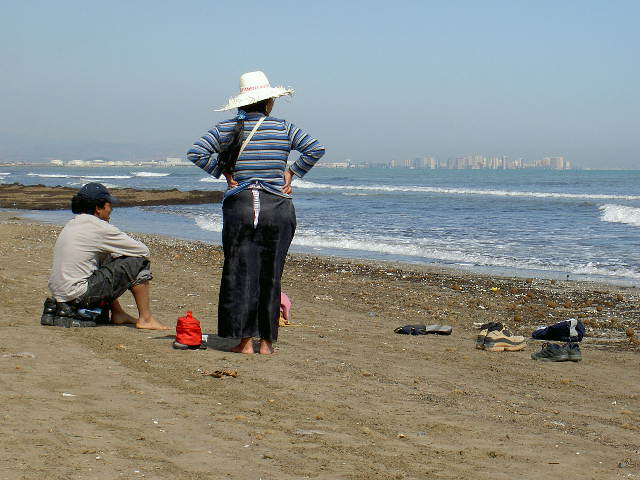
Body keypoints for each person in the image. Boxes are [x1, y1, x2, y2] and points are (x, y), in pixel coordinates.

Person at [187, 71, 325, 354]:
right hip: (277, 208)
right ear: (269, 102)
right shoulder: (284, 128)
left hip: (241, 206)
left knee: (239, 273)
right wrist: (292, 172)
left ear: (242, 102)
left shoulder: (226, 129)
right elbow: (315, 149)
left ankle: (244, 342)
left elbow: (197, 153)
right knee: (271, 274)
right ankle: (267, 343)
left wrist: (223, 172)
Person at [45, 182, 168, 330]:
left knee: (109, 256)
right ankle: (146, 319)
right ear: (98, 208)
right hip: (77, 294)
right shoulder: (99, 227)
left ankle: (118, 313)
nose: (111, 210)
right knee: (138, 262)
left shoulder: (73, 223)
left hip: (61, 292)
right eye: (109, 206)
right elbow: (143, 251)